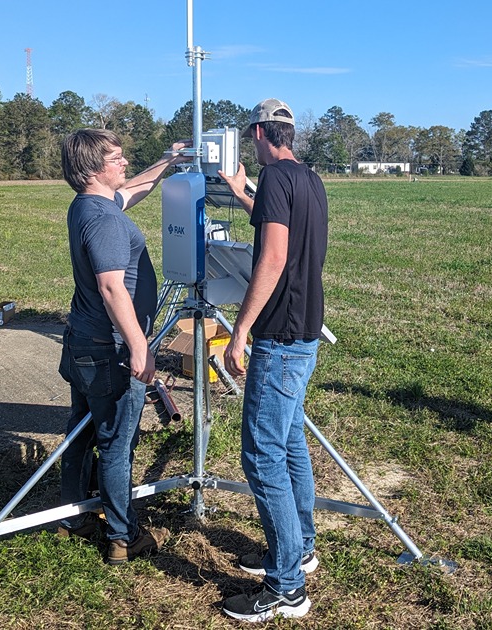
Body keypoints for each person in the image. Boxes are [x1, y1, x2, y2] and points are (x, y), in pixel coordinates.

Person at [217, 98, 328, 622]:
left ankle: (286, 588)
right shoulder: (306, 179)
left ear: (259, 133)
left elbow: (274, 254)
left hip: (279, 337)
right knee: (287, 443)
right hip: (304, 332)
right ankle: (300, 549)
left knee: (261, 456)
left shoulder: (277, 182)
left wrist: (240, 331)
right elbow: (277, 220)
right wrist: (243, 195)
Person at [57, 129, 188, 563]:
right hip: (110, 349)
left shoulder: (89, 204)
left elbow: (133, 189)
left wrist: (168, 161)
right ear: (94, 169)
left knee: (82, 429)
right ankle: (122, 535)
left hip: (84, 341)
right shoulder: (104, 220)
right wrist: (140, 347)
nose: (125, 163)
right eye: (116, 158)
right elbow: (112, 288)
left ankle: (74, 513)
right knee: (116, 444)